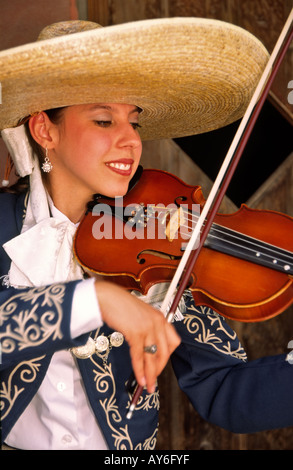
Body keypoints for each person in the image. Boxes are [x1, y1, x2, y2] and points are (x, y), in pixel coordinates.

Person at [0, 18, 292, 451]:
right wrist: (94, 299)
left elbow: (223, 388)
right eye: (103, 120)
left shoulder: (162, 242)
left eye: (133, 123)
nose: (130, 141)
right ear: (46, 130)